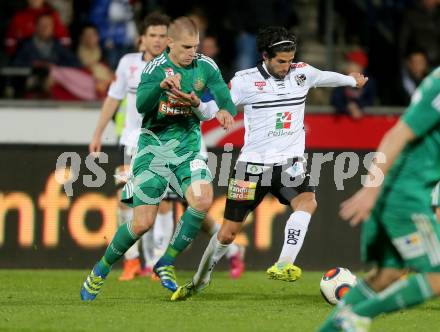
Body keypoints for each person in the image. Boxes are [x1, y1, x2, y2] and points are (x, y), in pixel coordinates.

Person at [170, 26, 368, 301]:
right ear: (265, 56)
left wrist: (350, 80)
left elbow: (324, 77)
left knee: (307, 202)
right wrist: (195, 103)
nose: (287, 67)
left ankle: (284, 263)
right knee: (227, 234)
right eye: (281, 61)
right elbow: (212, 110)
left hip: (288, 164)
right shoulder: (244, 81)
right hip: (252, 166)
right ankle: (198, 280)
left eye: (290, 60)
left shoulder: (301, 72)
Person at [80, 16, 236, 300]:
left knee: (202, 200)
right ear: (170, 43)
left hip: (188, 149)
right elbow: (140, 106)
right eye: (187, 46)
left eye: (196, 46)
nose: (193, 52)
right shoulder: (154, 69)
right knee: (142, 223)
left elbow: (226, 98)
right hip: (152, 150)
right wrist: (161, 87)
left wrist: (225, 110)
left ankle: (165, 261)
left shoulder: (205, 65)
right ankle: (100, 270)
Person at [318, 67, 440, 331]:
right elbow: (397, 134)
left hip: (401, 191)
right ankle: (356, 317)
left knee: (388, 276)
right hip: (405, 195)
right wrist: (371, 188)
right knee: (437, 277)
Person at [87, 12, 171, 281]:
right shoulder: (127, 64)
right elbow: (113, 99)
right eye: (153, 36)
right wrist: (98, 133)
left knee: (164, 204)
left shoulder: (174, 66)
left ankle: (157, 263)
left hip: (161, 144)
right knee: (124, 200)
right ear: (141, 39)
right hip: (129, 142)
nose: (157, 41)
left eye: (162, 36)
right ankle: (132, 260)